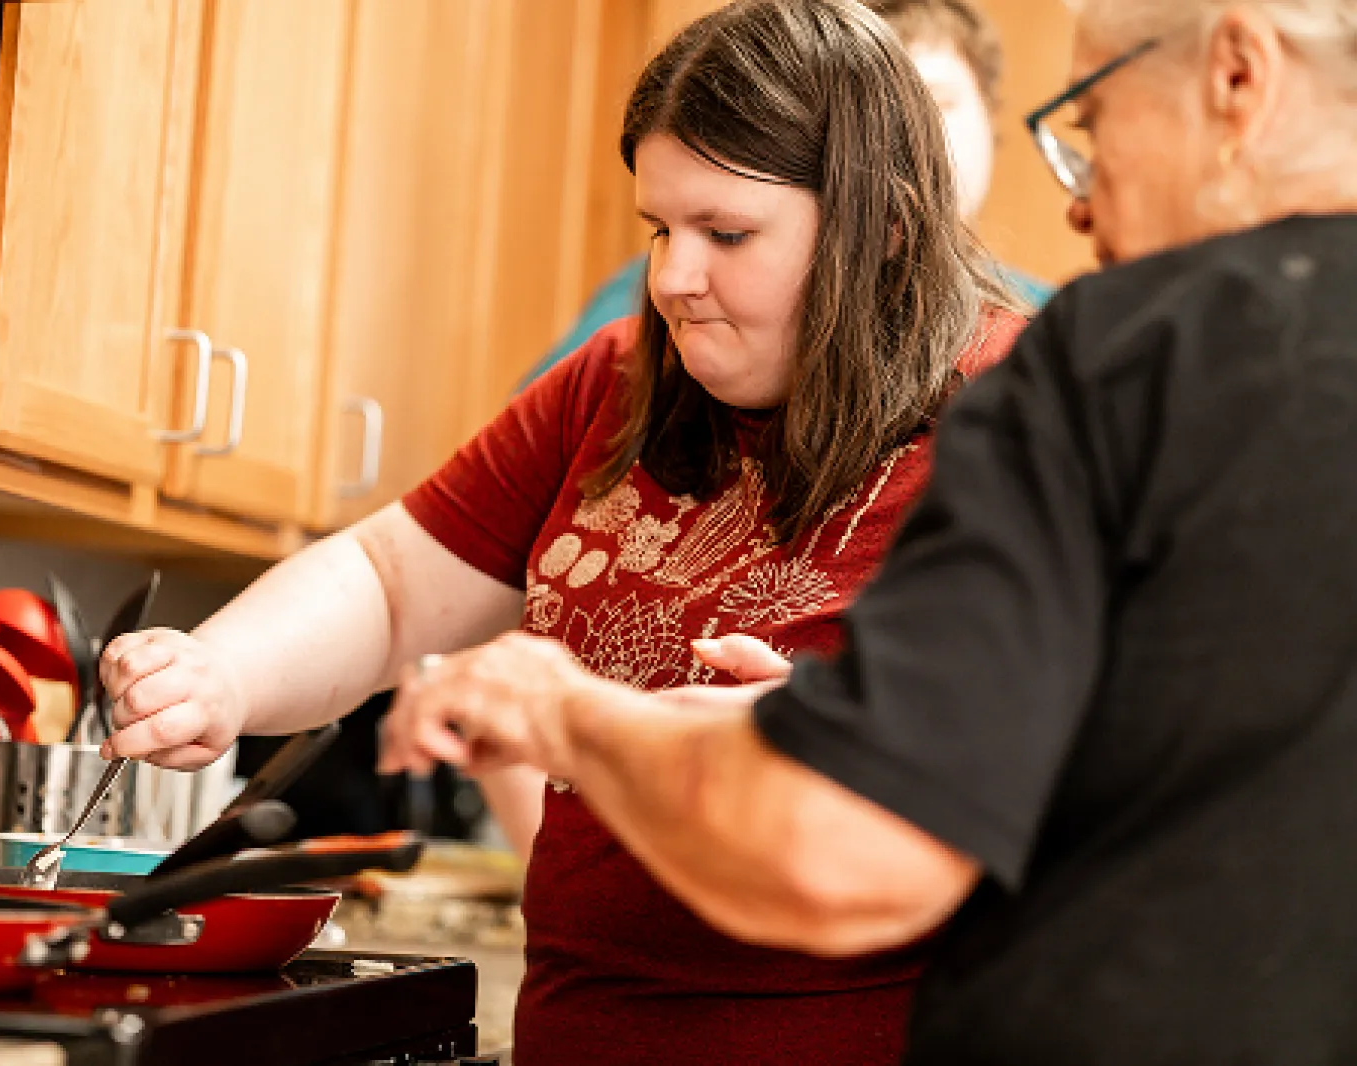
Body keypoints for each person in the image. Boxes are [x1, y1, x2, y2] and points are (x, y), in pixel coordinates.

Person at [384, 0, 1357, 1062]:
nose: (1077, 205)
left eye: (1092, 116)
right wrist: (841, 716)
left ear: (1237, 75)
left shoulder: (1118, 359)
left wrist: (567, 715)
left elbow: (848, 849)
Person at [98, 1, 1025, 1061]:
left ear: (886, 224)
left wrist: (829, 735)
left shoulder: (1020, 415)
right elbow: (392, 580)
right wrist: (221, 673)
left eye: (726, 233)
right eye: (660, 229)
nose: (675, 277)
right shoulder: (618, 380)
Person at [522, 0, 1050, 389]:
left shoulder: (1049, 337)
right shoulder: (636, 317)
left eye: (935, 101)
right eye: (864, 120)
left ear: (990, 110)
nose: (901, 144)